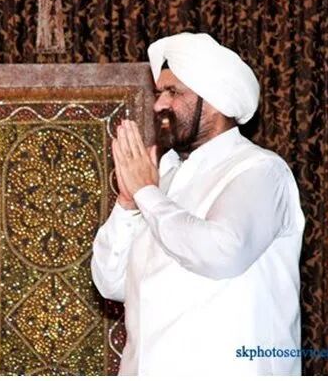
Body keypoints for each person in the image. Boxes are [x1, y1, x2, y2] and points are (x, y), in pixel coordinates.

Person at [90, 32, 305, 375]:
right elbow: (111, 283)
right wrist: (128, 203)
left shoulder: (260, 170)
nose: (159, 105)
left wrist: (146, 194)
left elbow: (223, 250)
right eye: (159, 93)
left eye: (173, 93)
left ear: (217, 101)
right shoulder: (163, 178)